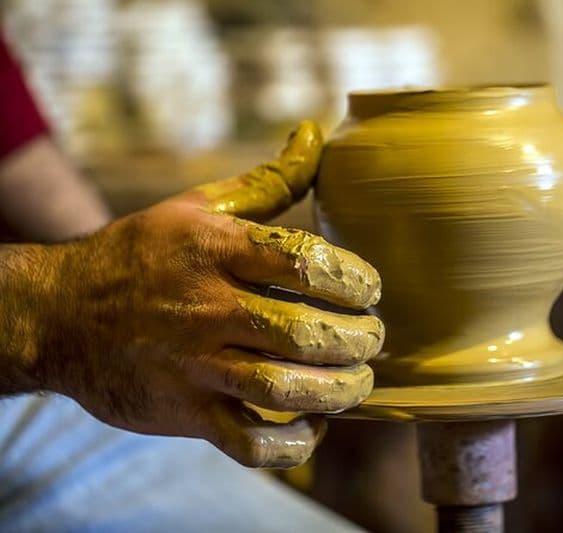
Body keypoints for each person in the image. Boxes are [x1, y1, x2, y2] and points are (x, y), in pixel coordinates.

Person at [0, 34, 381, 531]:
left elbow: (14, 144)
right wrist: (57, 307)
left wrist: (124, 268)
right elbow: (66, 306)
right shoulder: (52, 317)